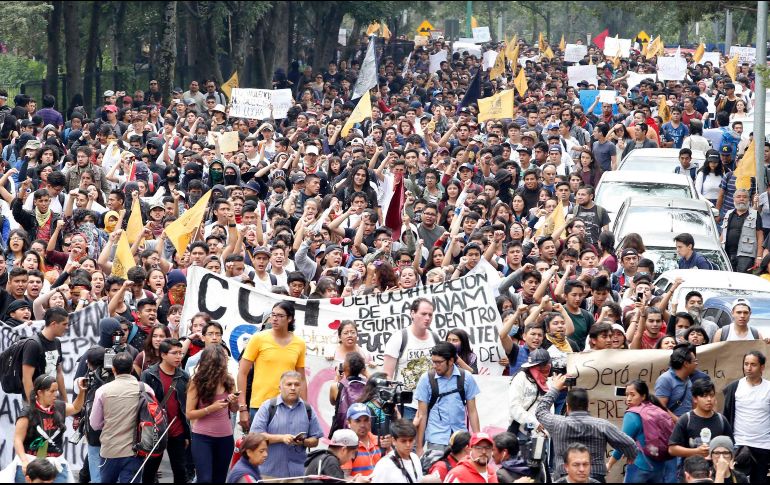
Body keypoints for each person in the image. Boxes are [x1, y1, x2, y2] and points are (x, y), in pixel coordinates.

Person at [536, 374, 636, 482]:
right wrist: (631, 455)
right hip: (595, 476)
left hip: (565, 477)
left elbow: (540, 411)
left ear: (568, 406)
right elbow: (629, 444)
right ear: (587, 405)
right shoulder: (602, 425)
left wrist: (555, 388)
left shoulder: (557, 423)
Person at [238, 301, 307, 431]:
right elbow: (242, 373)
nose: (274, 319)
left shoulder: (299, 343)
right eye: (273, 314)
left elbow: (301, 378)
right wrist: (242, 407)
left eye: (280, 316)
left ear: (290, 319)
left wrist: (305, 409)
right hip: (260, 405)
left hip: (289, 406)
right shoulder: (258, 338)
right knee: (258, 449)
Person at [90, 352, 152, 483]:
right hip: (135, 450)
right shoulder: (145, 389)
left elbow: (95, 424)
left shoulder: (103, 391)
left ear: (113, 369)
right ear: (131, 368)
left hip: (110, 450)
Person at [248, 370, 323, 480]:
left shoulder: (308, 409)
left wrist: (304, 442)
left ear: (301, 387)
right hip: (268, 473)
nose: (293, 388)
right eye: (289, 384)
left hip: (297, 475)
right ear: (280, 387)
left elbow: (315, 440)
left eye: (297, 384)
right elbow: (255, 436)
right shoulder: (268, 407)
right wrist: (282, 438)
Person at [13, 374, 86, 483]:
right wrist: (24, 461)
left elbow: (76, 407)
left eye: (56, 391)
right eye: (51, 391)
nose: (55, 395)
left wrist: (82, 392)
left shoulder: (60, 407)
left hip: (56, 464)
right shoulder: (27, 413)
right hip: (32, 464)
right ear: (40, 392)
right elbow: (17, 440)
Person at [414, 342, 480, 456]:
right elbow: (422, 415)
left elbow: (472, 411)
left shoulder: (466, 377)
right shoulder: (426, 379)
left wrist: (478, 440)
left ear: (451, 361)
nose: (435, 365)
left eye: (439, 362)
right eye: (433, 362)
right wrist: (419, 447)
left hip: (461, 439)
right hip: (436, 440)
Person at [139, 338, 190, 483]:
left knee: (180, 471)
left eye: (181, 353)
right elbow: (142, 405)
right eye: (174, 353)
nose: (179, 356)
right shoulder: (149, 375)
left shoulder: (184, 376)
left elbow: (185, 408)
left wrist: (187, 434)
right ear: (163, 354)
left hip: (177, 432)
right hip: (155, 432)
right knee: (149, 471)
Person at [186, 345, 239, 483]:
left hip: (225, 436)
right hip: (202, 437)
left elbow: (234, 410)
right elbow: (189, 414)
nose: (222, 368)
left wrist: (233, 401)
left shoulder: (229, 380)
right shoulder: (196, 382)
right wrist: (211, 408)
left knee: (220, 478)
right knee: (205, 479)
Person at [382, 298, 441, 421]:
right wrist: (394, 409)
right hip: (406, 405)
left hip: (432, 404)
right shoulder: (399, 338)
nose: (427, 318)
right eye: (423, 314)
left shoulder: (435, 338)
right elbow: (387, 377)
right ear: (412, 313)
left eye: (430, 315)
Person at [607, 379, 672, 483]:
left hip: (639, 466)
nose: (628, 399)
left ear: (643, 396)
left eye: (632, 395)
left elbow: (622, 443)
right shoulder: (657, 410)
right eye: (627, 395)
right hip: (659, 467)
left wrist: (609, 464)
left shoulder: (632, 415)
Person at [722, 350, 770, 484]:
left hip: (764, 446)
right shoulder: (734, 387)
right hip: (739, 444)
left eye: (753, 364)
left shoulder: (768, 388)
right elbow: (726, 415)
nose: (748, 368)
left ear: (762, 367)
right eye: (746, 364)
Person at [669, 379, 733, 460]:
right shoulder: (686, 420)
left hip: (716, 470)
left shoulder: (721, 420)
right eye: (704, 396)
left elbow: (730, 446)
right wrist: (696, 451)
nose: (709, 399)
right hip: (691, 469)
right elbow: (672, 449)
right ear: (695, 399)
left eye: (712, 395)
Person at [21, 307, 69, 404]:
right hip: (36, 401)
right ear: (54, 324)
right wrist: (33, 405)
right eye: (64, 324)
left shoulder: (57, 342)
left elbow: (59, 373)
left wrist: (65, 399)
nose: (67, 327)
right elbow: (26, 378)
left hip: (52, 399)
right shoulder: (33, 344)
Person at [508, 348, 551, 437]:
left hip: (543, 432)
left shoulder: (548, 382)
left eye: (544, 366)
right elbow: (514, 407)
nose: (542, 370)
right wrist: (535, 423)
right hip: (522, 429)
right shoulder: (520, 378)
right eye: (538, 366)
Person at [720, 188, 764, 273]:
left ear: (748, 199)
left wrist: (759, 256)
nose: (741, 199)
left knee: (743, 279)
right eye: (738, 197)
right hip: (727, 253)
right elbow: (723, 234)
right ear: (734, 199)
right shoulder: (729, 213)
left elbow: (760, 236)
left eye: (744, 197)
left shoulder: (755, 215)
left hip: (746, 255)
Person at [343, 403, 389, 478]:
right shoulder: (346, 446)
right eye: (358, 421)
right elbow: (344, 478)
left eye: (366, 420)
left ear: (370, 421)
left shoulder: (380, 441)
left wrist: (389, 448)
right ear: (348, 422)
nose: (362, 425)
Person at [370, 419, 423, 483]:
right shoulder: (384, 464)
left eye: (411, 440)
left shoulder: (415, 458)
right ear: (394, 441)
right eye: (403, 441)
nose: (408, 445)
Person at [655, 343, 699, 418]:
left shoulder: (687, 379)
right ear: (686, 364)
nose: (696, 364)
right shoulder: (665, 379)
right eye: (694, 361)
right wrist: (679, 422)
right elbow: (660, 408)